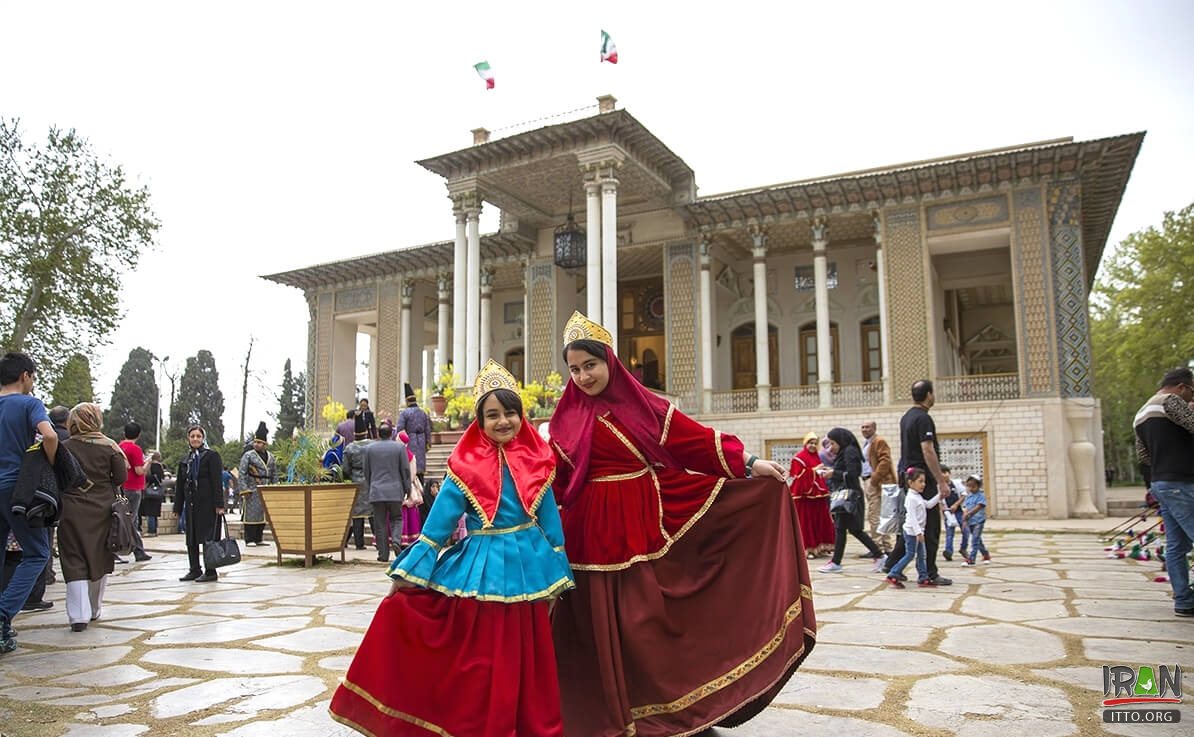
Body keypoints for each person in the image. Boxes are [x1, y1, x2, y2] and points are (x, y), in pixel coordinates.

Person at [549, 312, 815, 737]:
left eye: (590, 365)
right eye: (575, 369)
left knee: (645, 623)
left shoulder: (644, 406)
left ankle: (673, 707)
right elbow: (554, 481)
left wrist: (749, 464)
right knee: (596, 627)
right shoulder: (565, 418)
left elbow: (694, 440)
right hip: (587, 534)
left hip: (643, 522)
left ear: (610, 362)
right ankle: (610, 712)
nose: (582, 376)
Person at [329, 360, 574, 737]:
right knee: (483, 656)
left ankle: (525, 724)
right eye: (492, 415)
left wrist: (557, 566)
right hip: (481, 563)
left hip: (529, 564)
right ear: (479, 421)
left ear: (521, 416)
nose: (503, 421)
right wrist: (410, 576)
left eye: (510, 412)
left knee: (529, 653)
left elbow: (551, 525)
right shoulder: (465, 468)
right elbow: (437, 527)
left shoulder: (539, 461)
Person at [0, 352, 57, 655]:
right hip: (15, 487)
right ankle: (3, 615)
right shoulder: (29, 404)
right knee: (37, 553)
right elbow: (49, 436)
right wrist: (45, 463)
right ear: (25, 375)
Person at [60, 403, 126, 631]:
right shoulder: (109, 446)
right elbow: (120, 477)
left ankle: (78, 616)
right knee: (98, 555)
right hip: (102, 509)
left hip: (71, 508)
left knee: (73, 558)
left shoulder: (64, 447)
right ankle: (94, 608)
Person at [1134, 367, 1194, 617]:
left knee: (1176, 546)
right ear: (1181, 387)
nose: (1191, 397)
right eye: (1192, 391)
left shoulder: (1140, 413)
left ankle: (1184, 600)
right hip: (1181, 481)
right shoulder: (1171, 401)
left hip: (1161, 483)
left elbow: (1143, 456)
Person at [883, 380, 952, 587]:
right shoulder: (923, 419)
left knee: (910, 524)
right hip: (921, 479)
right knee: (929, 526)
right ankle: (929, 572)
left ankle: (893, 564)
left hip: (908, 476)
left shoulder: (906, 417)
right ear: (929, 394)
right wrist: (941, 481)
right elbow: (928, 450)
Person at [817, 427, 885, 573]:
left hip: (850, 497)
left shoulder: (849, 451)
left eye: (833, 443)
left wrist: (833, 473)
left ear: (840, 441)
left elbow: (853, 473)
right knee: (848, 529)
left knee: (849, 529)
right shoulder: (845, 452)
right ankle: (838, 561)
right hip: (845, 496)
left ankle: (878, 556)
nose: (831, 447)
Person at [175, 425, 225, 582]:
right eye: (192, 436)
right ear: (188, 439)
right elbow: (180, 485)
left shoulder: (211, 456)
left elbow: (217, 482)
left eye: (198, 436)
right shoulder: (186, 460)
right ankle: (194, 569)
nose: (195, 439)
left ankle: (210, 571)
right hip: (192, 505)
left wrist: (219, 504)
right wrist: (177, 506)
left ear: (203, 438)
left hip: (208, 505)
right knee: (192, 537)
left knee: (208, 538)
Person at [884, 467, 941, 588]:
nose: (923, 484)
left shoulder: (917, 496)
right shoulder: (911, 498)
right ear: (910, 483)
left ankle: (923, 577)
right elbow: (912, 518)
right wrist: (918, 533)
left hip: (917, 532)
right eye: (920, 481)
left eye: (924, 481)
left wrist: (940, 496)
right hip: (912, 532)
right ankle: (893, 574)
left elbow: (928, 505)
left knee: (921, 555)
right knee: (910, 554)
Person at [364, 424, 411, 562]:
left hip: (377, 491)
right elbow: (405, 470)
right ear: (391, 433)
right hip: (395, 491)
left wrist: (371, 485)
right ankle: (396, 541)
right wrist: (407, 488)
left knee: (380, 523)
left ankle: (383, 554)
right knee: (397, 518)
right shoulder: (399, 448)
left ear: (378, 433)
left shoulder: (369, 449)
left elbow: (366, 471)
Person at [787, 431, 836, 558]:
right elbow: (798, 477)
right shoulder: (799, 457)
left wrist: (821, 470)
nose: (813, 445)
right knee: (806, 522)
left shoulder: (816, 457)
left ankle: (820, 547)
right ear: (805, 444)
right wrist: (814, 471)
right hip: (804, 496)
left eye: (815, 443)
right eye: (810, 443)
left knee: (819, 521)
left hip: (817, 495)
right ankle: (808, 548)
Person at [117, 422, 153, 562]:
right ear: (138, 435)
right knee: (131, 520)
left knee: (125, 518)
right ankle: (137, 550)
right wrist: (148, 462)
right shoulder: (135, 449)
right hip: (134, 487)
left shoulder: (119, 447)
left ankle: (137, 549)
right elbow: (139, 470)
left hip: (122, 486)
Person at [238, 422, 276, 547]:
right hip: (252, 489)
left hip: (265, 488)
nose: (256, 444)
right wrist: (244, 489)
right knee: (251, 515)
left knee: (262, 515)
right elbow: (242, 473)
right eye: (255, 442)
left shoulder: (271, 457)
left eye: (259, 442)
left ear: (264, 444)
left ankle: (259, 538)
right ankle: (249, 539)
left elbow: (274, 474)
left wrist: (274, 487)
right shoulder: (248, 455)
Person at [861, 420, 896, 555]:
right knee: (881, 514)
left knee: (875, 514)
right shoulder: (867, 443)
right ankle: (885, 545)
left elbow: (885, 460)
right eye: (863, 427)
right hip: (868, 480)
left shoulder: (879, 441)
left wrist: (874, 479)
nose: (865, 429)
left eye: (867, 427)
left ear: (874, 428)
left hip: (876, 482)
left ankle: (877, 547)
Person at [342, 433, 376, 551]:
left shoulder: (349, 448)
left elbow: (345, 469)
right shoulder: (373, 445)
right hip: (371, 480)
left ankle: (359, 544)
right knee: (373, 513)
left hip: (355, 482)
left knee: (357, 514)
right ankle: (378, 541)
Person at [395, 384, 432, 485]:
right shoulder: (423, 413)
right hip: (421, 441)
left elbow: (400, 430)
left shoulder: (404, 413)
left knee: (410, 466)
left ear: (407, 401)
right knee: (420, 469)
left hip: (410, 441)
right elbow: (428, 429)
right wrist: (428, 443)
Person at [396, 430, 424, 547]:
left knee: (401, 513)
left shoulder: (397, 454)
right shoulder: (411, 455)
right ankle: (410, 538)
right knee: (409, 512)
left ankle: (398, 538)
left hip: (400, 486)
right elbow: (413, 474)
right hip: (408, 486)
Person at [959, 475, 989, 565]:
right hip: (970, 521)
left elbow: (979, 507)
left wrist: (969, 514)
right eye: (969, 486)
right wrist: (964, 517)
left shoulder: (981, 496)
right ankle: (985, 554)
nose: (971, 488)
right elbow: (965, 507)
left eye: (973, 486)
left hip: (979, 520)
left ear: (979, 486)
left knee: (974, 540)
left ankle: (971, 558)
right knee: (978, 540)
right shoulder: (969, 496)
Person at [940, 465, 967, 561]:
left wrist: (956, 505)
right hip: (948, 513)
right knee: (949, 532)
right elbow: (938, 500)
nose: (943, 475)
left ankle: (963, 548)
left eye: (945, 472)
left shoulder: (956, 484)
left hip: (959, 511)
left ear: (949, 473)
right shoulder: (938, 487)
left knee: (965, 530)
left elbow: (963, 495)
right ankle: (948, 551)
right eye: (941, 473)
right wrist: (943, 508)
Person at [142, 451, 165, 537]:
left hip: (151, 492)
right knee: (154, 513)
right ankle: (154, 530)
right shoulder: (161, 466)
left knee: (150, 512)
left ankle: (151, 531)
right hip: (157, 492)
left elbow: (150, 478)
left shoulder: (153, 466)